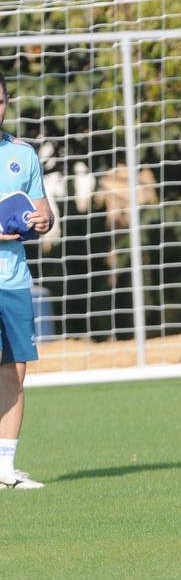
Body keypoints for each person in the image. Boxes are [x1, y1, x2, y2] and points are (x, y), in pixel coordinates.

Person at [0, 71, 54, 490]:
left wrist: (43, 219)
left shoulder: (24, 154)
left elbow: (44, 213)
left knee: (15, 372)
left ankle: (5, 469)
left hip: (15, 281)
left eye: (0, 100)